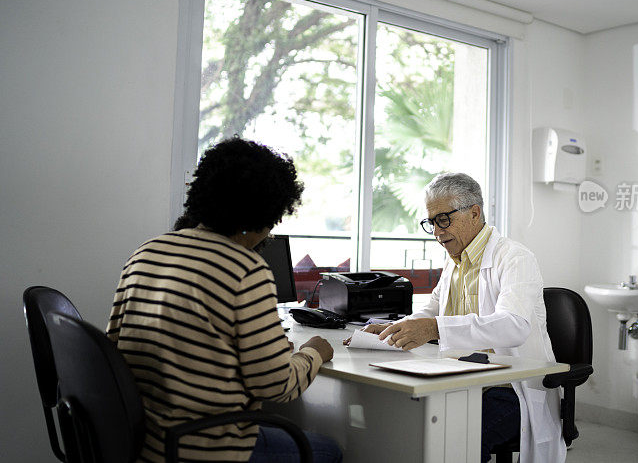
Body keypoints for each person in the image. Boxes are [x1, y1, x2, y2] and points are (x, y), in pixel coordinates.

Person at [107, 137, 342, 463]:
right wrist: (313, 353)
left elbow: (115, 350)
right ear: (267, 211)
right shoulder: (245, 269)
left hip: (142, 442)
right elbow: (278, 387)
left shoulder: (147, 251)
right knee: (329, 452)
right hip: (204, 446)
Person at [365, 172, 566, 463]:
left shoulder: (515, 258)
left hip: (509, 389)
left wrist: (434, 329)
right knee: (410, 422)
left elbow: (514, 326)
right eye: (431, 222)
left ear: (474, 213)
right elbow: (432, 310)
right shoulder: (454, 261)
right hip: (463, 381)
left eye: (443, 220)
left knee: (456, 437)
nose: (436, 232)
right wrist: (396, 328)